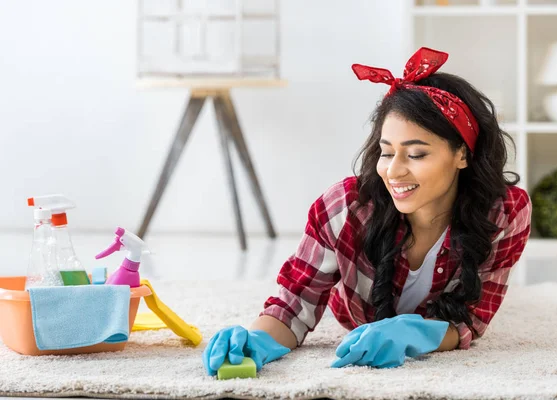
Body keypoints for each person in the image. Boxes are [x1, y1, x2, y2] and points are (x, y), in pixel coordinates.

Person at [202, 47, 532, 375]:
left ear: (462, 154)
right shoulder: (344, 209)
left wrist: (417, 333)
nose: (394, 171)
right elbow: (293, 306)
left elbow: (470, 319)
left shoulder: (505, 212)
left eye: (416, 155)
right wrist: (257, 340)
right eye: (387, 153)